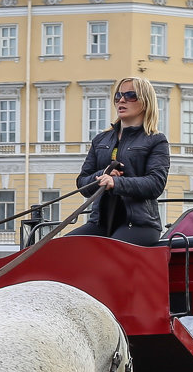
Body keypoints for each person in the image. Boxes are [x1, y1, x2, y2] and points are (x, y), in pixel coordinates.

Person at [69, 76, 170, 246]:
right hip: (100, 223)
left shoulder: (156, 140)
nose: (121, 100)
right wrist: (102, 175)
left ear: (145, 102)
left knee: (110, 253)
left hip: (139, 224)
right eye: (118, 96)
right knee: (63, 247)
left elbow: (155, 184)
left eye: (130, 95)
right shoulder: (101, 140)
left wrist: (116, 183)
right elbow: (82, 183)